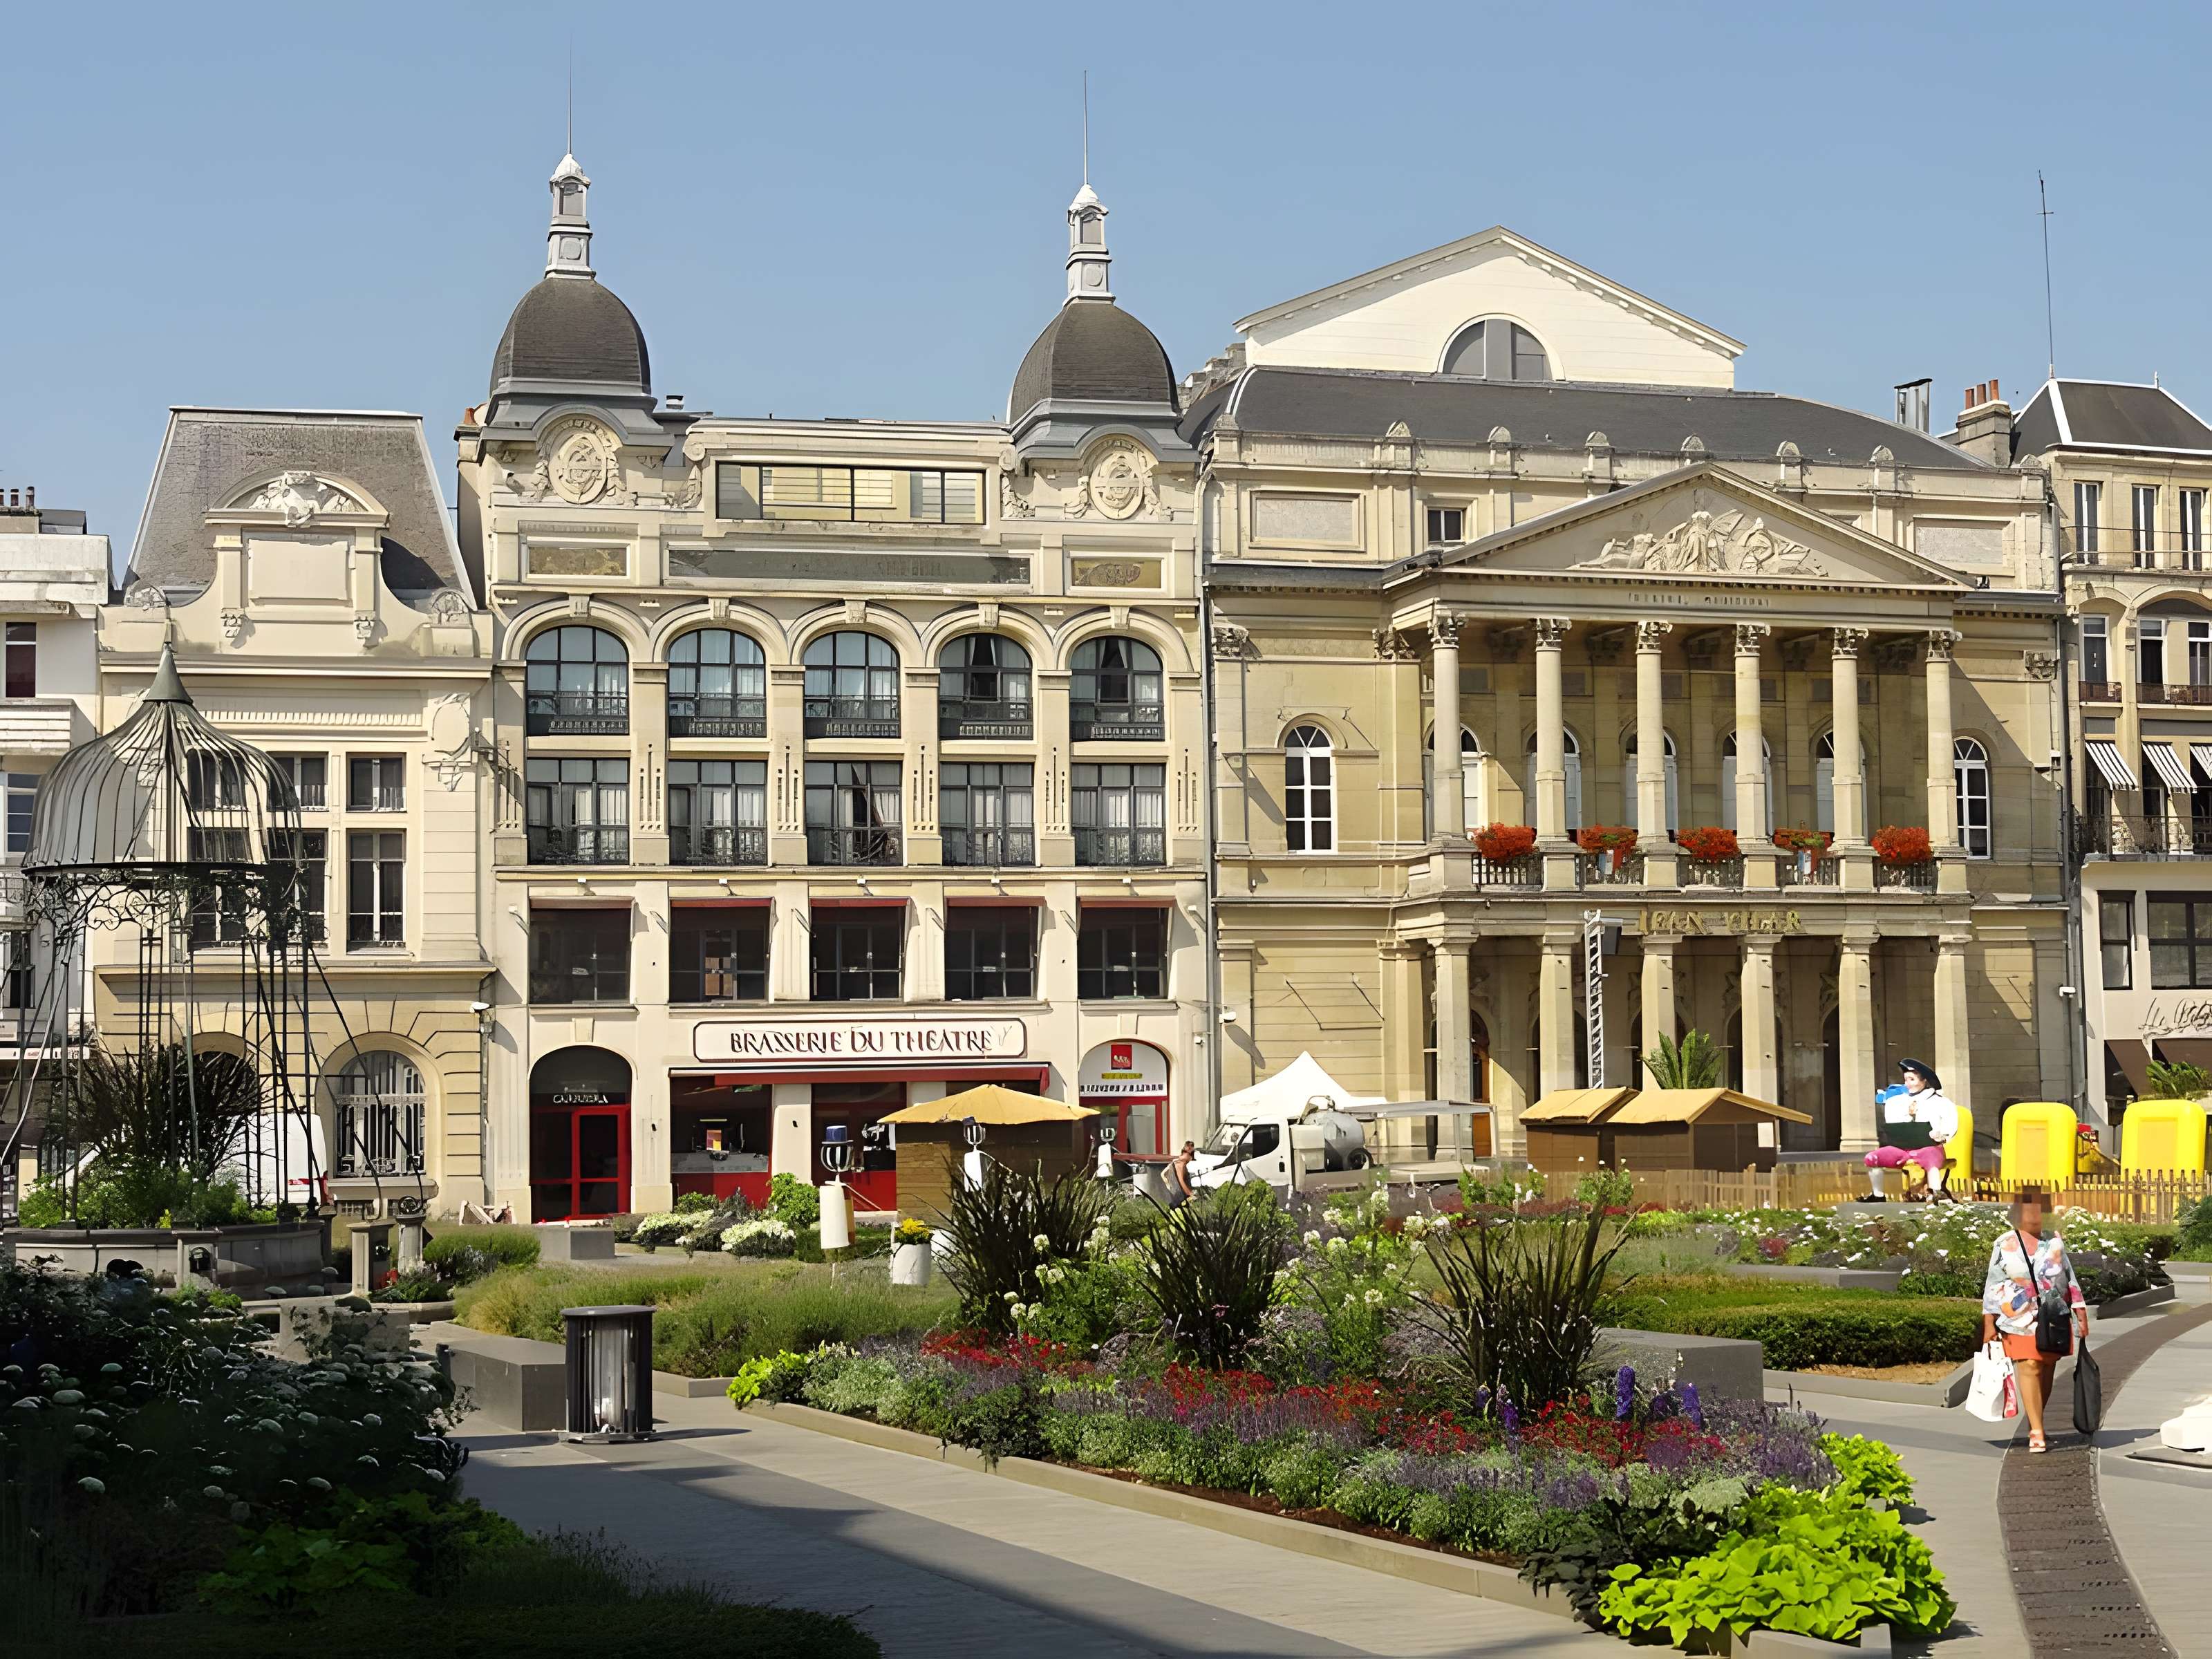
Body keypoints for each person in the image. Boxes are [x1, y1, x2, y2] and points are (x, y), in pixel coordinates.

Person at [1982, 1186, 2088, 1452]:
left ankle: (2036, 1418)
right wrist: (1988, 1323)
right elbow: (1993, 1284)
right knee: (2029, 1365)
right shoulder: (2004, 1244)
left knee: (2046, 1369)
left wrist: (2080, 1313)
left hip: (2053, 1317)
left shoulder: (2054, 1243)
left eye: (2039, 1208)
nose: (2034, 1213)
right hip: (2016, 1318)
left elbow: (2069, 1279)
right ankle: (2036, 1431)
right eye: (2028, 1208)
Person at [1863, 1059, 1959, 1202]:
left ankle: (1936, 1193)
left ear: (1924, 1080)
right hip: (1902, 1149)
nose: (1907, 1084)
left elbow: (1950, 1124)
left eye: (1912, 1080)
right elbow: (1894, 1125)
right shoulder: (1897, 1102)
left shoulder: (1940, 1102)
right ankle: (1878, 1195)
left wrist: (1941, 1135)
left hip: (1929, 1147)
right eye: (1906, 1080)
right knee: (1872, 1158)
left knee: (1931, 1159)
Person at [1165, 1140, 1197, 1209]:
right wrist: (1190, 1194)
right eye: (1191, 1155)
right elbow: (1181, 1181)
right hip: (1178, 1199)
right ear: (1185, 1153)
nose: (1191, 1158)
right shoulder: (1180, 1164)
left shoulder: (1180, 1163)